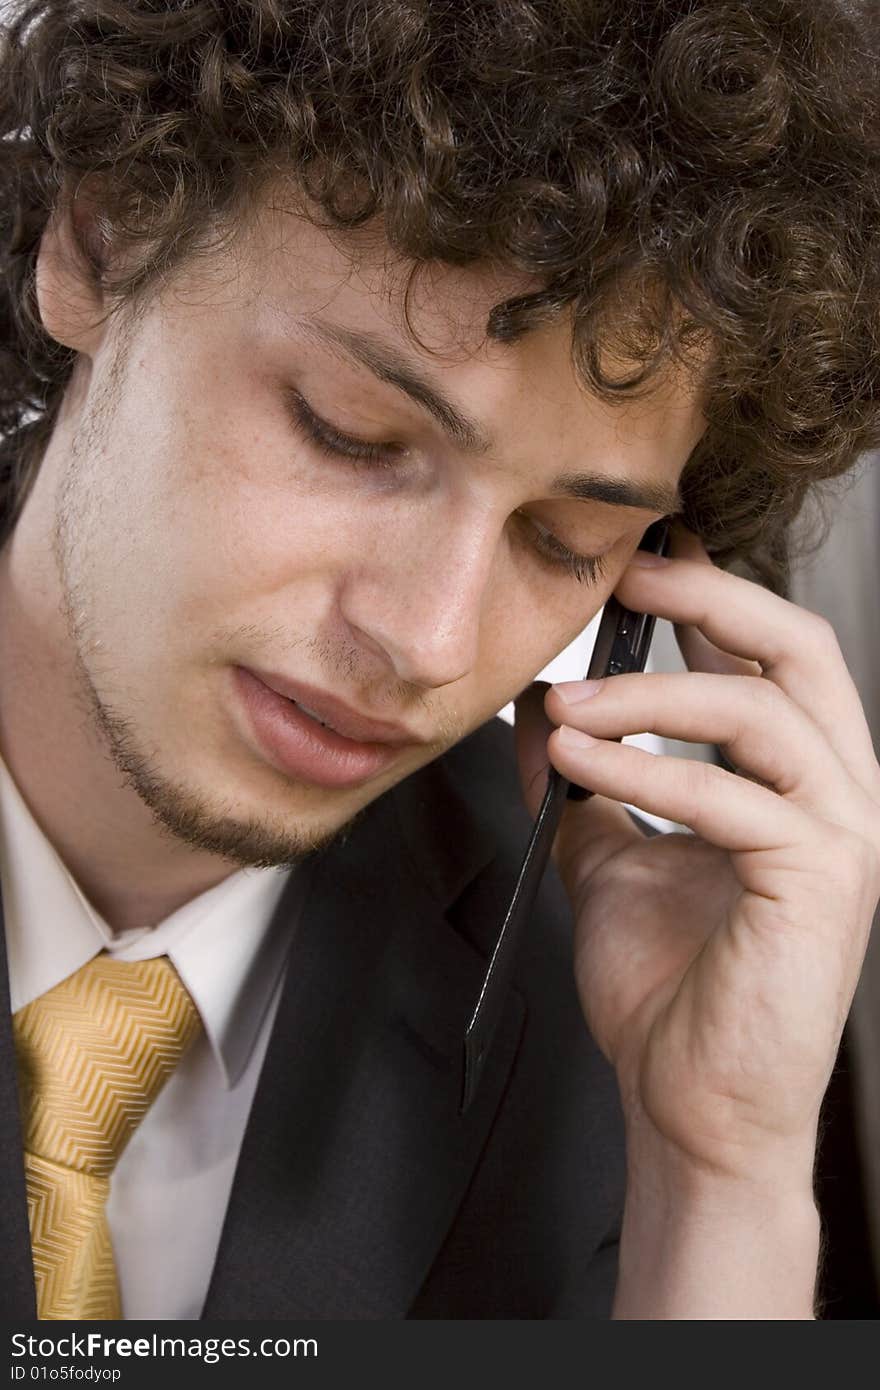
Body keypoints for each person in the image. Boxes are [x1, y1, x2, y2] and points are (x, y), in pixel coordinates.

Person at [0, 0, 879, 1323]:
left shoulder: (613, 1033)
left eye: (566, 538)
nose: (428, 641)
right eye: (349, 433)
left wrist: (720, 1182)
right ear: (99, 241)